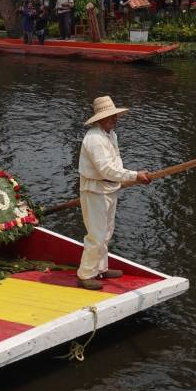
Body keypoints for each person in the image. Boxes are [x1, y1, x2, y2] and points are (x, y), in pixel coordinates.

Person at [76, 96, 151, 290]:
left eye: (115, 116)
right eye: (110, 117)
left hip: (109, 188)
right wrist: (134, 176)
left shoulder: (111, 134)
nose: (114, 119)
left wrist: (127, 177)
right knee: (96, 234)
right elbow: (106, 170)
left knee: (107, 232)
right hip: (95, 189)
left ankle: (100, 268)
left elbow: (116, 164)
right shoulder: (94, 139)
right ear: (99, 119)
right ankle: (85, 274)